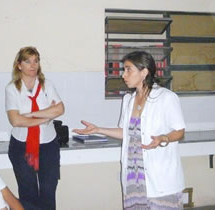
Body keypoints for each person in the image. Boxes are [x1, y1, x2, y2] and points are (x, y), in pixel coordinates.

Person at [73, 51, 186, 209]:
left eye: (128, 70)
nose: (123, 75)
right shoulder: (128, 100)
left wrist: (163, 138)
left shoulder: (166, 98)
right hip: (134, 177)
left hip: (160, 177)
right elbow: (125, 133)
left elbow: (180, 131)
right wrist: (98, 129)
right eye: (123, 70)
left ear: (144, 72)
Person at [5, 46, 65, 210]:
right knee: (28, 192)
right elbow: (15, 121)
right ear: (19, 65)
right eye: (28, 61)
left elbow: (60, 110)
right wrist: (45, 116)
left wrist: (30, 115)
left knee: (48, 189)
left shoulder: (47, 85)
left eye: (36, 61)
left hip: (48, 144)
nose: (33, 65)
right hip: (21, 145)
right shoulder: (12, 89)